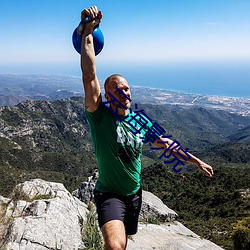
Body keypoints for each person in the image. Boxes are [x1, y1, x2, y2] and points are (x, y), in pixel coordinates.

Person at [79, 6, 214, 250]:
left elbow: (166, 145)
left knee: (125, 242)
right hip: (109, 194)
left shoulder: (139, 121)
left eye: (127, 88)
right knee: (114, 246)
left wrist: (197, 161)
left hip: (134, 194)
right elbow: (89, 74)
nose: (125, 91)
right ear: (107, 95)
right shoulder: (99, 115)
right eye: (118, 88)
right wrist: (88, 31)